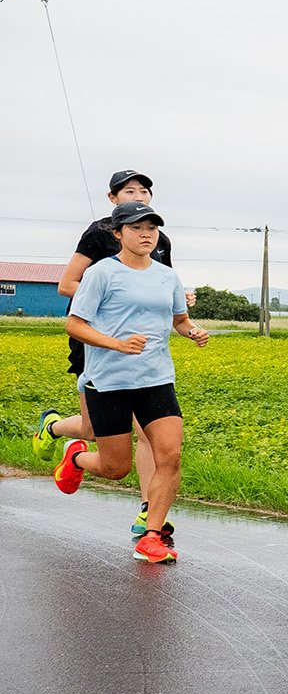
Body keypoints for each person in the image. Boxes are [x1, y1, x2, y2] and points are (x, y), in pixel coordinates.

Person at [35, 169, 193, 538]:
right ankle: (64, 441)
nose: (139, 197)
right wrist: (115, 330)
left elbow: (175, 311)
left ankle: (151, 523)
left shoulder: (163, 256)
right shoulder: (99, 243)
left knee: (165, 449)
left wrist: (182, 314)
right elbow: (69, 291)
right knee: (107, 454)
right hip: (103, 356)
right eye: (129, 191)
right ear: (116, 224)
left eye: (144, 191)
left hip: (153, 372)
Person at [57, 201, 208, 563]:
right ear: (118, 233)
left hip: (156, 378)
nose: (146, 235)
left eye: (151, 228)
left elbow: (179, 319)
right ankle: (76, 457)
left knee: (170, 455)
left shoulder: (167, 276)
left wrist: (193, 331)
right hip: (108, 381)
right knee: (116, 468)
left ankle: (151, 537)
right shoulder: (101, 273)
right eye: (136, 228)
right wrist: (117, 344)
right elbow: (74, 324)